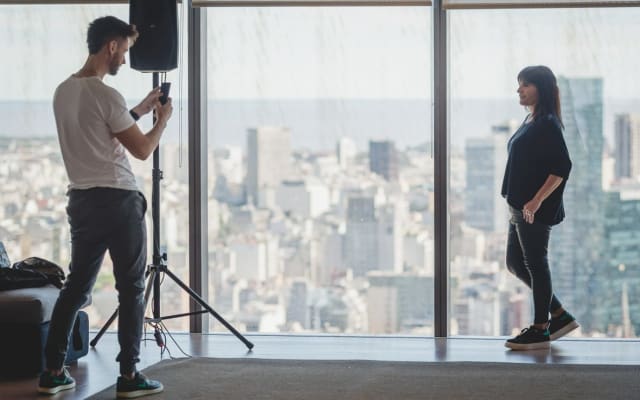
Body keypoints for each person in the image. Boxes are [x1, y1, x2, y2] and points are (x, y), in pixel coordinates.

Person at [37, 16, 172, 397]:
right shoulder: (105, 94)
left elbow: (100, 131)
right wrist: (162, 121)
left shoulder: (63, 91)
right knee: (131, 288)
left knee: (76, 286)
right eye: (125, 51)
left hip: (81, 200)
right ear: (112, 45)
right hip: (118, 200)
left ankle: (52, 371)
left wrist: (140, 111)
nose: (125, 60)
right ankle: (129, 376)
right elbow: (142, 150)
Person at [501, 65, 579, 351]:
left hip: (532, 209)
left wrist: (536, 200)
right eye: (519, 84)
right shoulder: (531, 119)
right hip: (518, 206)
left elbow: (561, 167)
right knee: (515, 263)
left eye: (525, 85)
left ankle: (540, 328)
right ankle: (559, 315)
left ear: (541, 89)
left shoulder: (547, 122)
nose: (519, 90)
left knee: (535, 263)